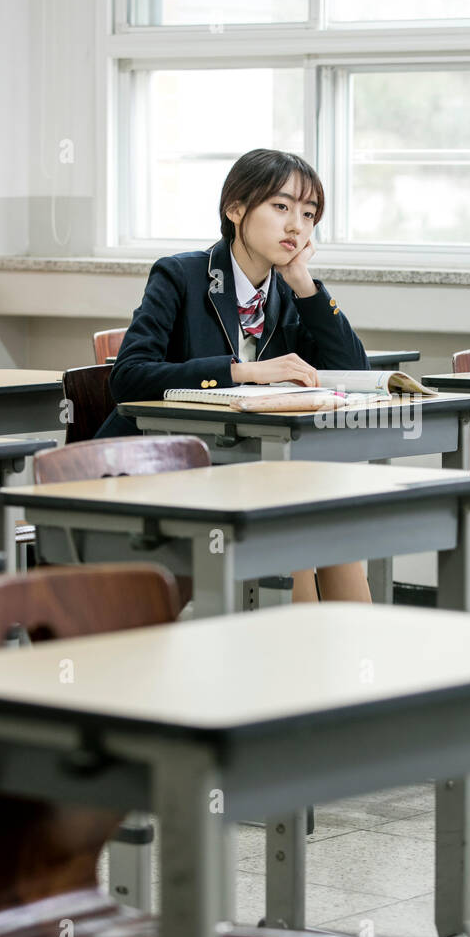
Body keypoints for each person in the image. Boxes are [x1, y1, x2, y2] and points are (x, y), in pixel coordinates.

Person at [96, 148, 371, 603]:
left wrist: (305, 284)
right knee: (301, 514)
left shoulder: (286, 291)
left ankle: (345, 658)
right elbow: (128, 377)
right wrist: (243, 372)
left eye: (308, 214)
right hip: (161, 466)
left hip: (243, 464)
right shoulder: (180, 275)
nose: (296, 226)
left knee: (332, 513)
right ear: (236, 208)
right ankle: (298, 659)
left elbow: (352, 371)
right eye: (281, 207)